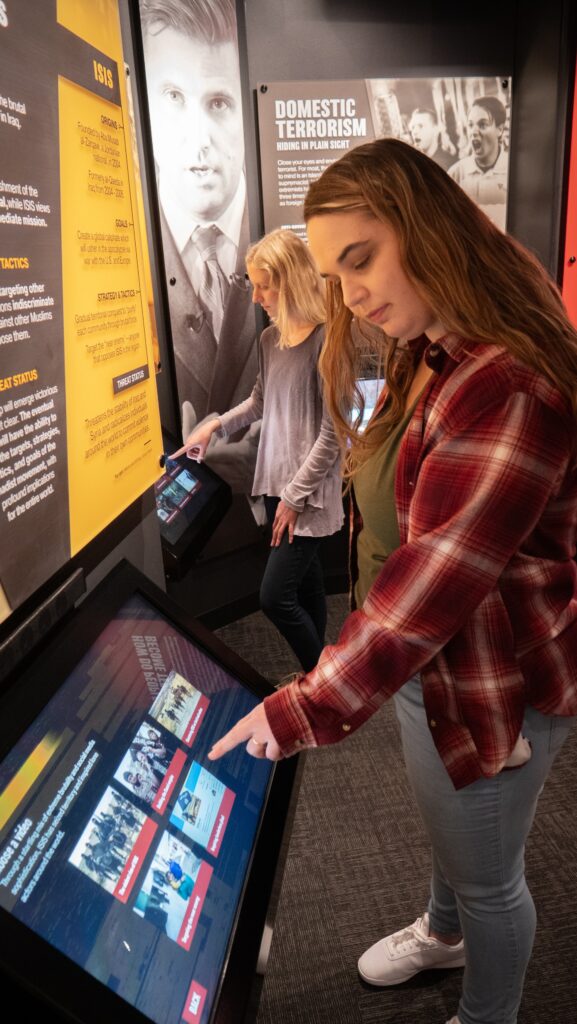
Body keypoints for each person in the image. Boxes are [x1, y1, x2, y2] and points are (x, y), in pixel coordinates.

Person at [207, 139, 577, 1024]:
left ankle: (486, 1011)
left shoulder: (509, 384)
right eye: (335, 273)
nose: (351, 292)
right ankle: (442, 932)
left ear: (428, 230)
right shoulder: (436, 344)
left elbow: (435, 577)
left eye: (361, 258)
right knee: (454, 838)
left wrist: (301, 706)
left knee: (489, 877)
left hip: (494, 683)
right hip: (433, 666)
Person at [172, 229, 344, 672]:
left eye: (264, 285)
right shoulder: (270, 340)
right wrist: (213, 428)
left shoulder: (327, 340)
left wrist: (293, 496)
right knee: (305, 587)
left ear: (290, 280)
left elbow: (332, 433)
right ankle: (315, 674)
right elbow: (259, 403)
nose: (257, 297)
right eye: (255, 285)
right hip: (275, 482)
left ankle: (320, 680)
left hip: (303, 494)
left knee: (274, 596)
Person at [139, 0, 258, 491]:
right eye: (172, 96)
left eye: (218, 102)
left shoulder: (303, 250)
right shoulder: (117, 252)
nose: (198, 139)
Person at [449, 95, 508, 230]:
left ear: (500, 129)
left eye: (482, 125)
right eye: (470, 125)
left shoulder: (513, 172)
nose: (474, 132)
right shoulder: (455, 174)